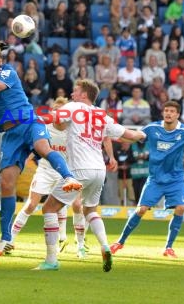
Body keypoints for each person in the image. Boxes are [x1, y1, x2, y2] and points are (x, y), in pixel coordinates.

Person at [0, 32, 83, 258]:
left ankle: (69, 178)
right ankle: (6, 238)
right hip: (9, 134)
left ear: (0, 62)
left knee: (42, 149)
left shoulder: (8, 72)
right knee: (6, 183)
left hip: (29, 122)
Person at [34, 79, 145, 271]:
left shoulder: (74, 107)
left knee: (49, 209)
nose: (71, 94)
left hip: (78, 169)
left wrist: (25, 117)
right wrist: (144, 134)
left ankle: (51, 260)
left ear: (83, 95)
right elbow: (131, 135)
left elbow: (50, 119)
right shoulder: (102, 115)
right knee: (90, 211)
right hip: (98, 171)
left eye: (75, 91)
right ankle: (104, 246)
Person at [110, 101, 184, 258]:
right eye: (166, 110)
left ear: (177, 114)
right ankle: (120, 242)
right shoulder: (152, 128)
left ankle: (168, 247)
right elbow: (135, 137)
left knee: (181, 208)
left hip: (176, 178)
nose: (168, 113)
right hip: (155, 179)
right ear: (163, 113)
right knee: (140, 210)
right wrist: (117, 134)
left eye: (172, 111)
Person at [9, 97, 80, 255]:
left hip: (63, 173)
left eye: (61, 110)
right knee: (31, 205)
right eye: (55, 109)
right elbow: (33, 148)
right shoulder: (45, 127)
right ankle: (10, 239)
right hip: (45, 171)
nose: (57, 112)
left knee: (60, 206)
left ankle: (62, 238)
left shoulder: (73, 131)